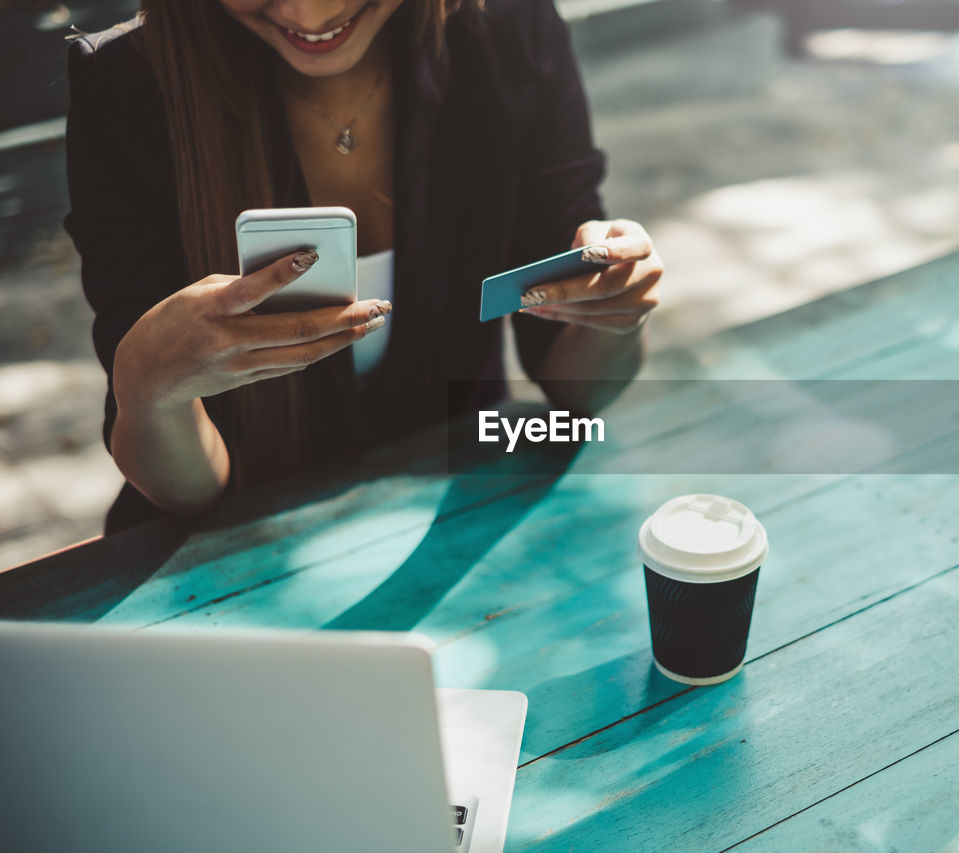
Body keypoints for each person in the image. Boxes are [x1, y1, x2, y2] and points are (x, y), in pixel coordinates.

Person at [65, 0, 662, 533]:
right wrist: (145, 389)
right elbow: (187, 497)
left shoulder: (508, 26)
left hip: (461, 508)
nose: (311, 12)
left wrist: (618, 310)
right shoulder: (125, 83)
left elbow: (577, 398)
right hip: (230, 556)